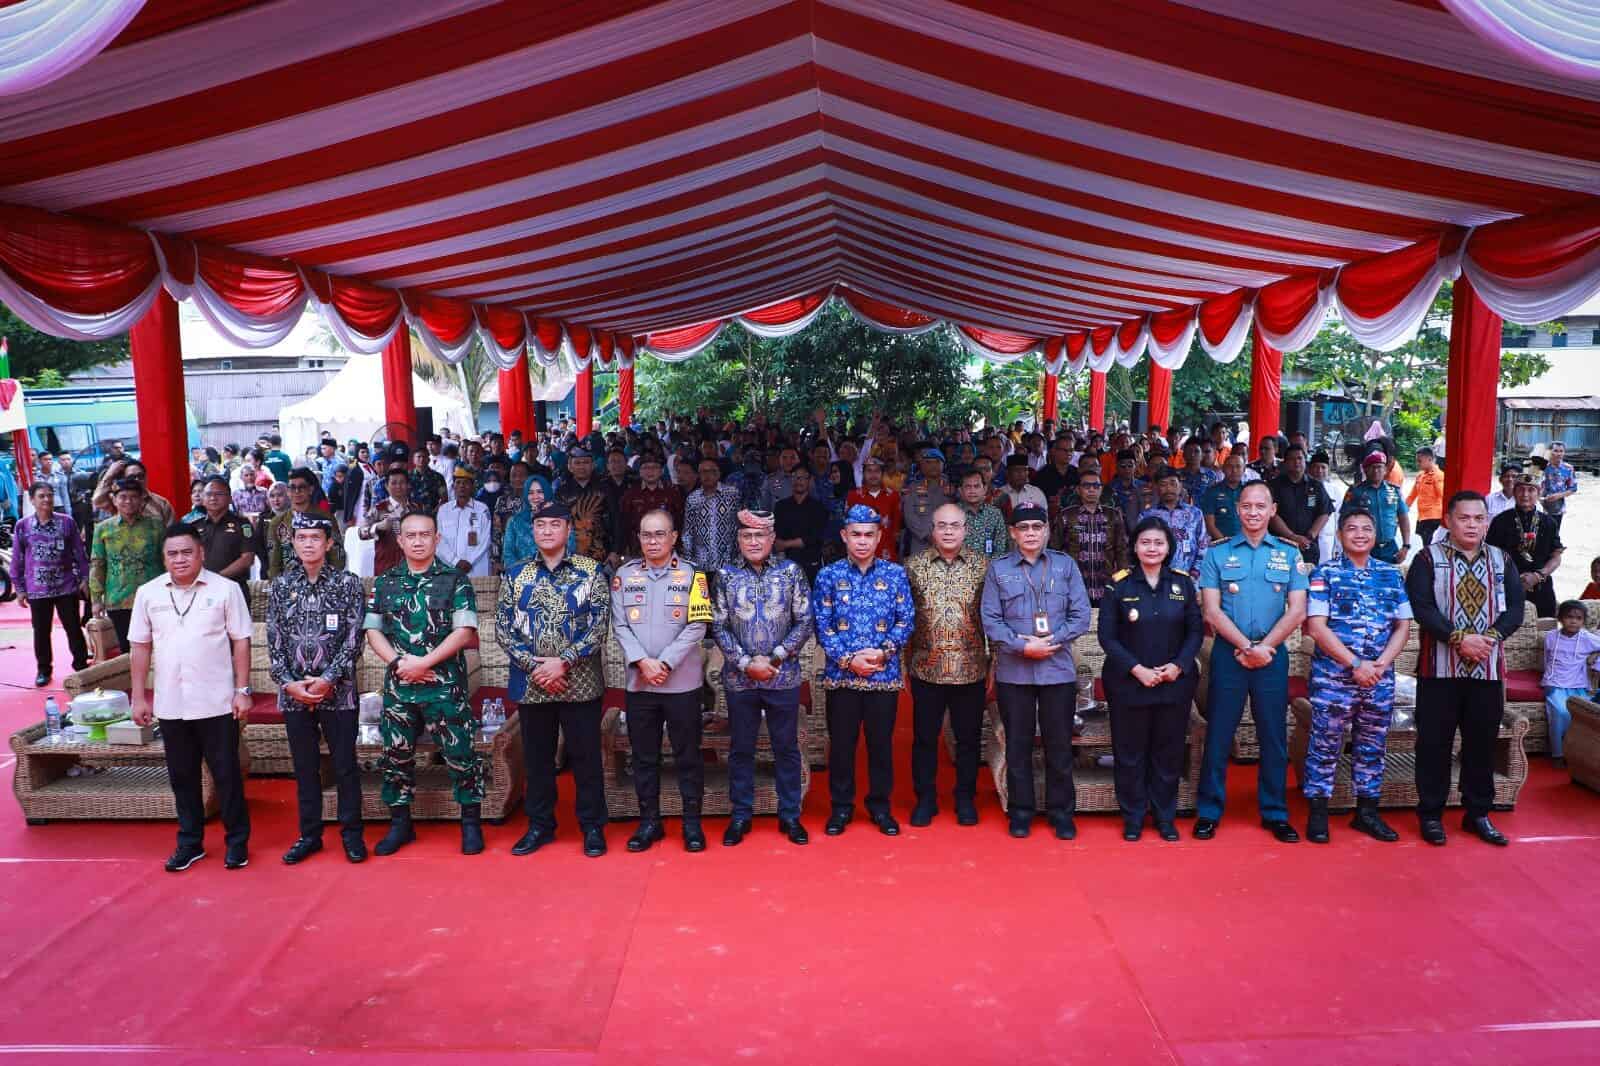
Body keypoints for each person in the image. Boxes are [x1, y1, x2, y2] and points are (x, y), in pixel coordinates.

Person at [128, 523, 253, 872]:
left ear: (200, 553)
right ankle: (190, 842)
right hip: (171, 703)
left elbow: (241, 640)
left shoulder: (226, 590)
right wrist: (139, 698)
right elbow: (139, 647)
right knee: (182, 777)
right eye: (172, 553)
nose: (180, 559)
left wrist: (242, 691)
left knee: (226, 775)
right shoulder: (148, 593)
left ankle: (237, 842)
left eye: (186, 552)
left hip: (216, 702)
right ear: (164, 557)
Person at [363, 510, 485, 856]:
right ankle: (401, 825)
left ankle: (471, 823)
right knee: (396, 756)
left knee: (461, 754)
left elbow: (464, 632)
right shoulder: (385, 582)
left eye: (425, 534)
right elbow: (373, 631)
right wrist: (401, 663)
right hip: (400, 686)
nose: (418, 541)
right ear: (400, 540)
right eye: (411, 535)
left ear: (437, 539)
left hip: (444, 685)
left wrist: (425, 663)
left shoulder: (455, 580)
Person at [1193, 480, 1309, 843]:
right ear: (1238, 509)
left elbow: (1298, 610)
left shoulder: (1289, 554)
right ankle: (1209, 810)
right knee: (1219, 733)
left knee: (1273, 736)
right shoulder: (1217, 553)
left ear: (1273, 509)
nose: (1253, 512)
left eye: (1261, 506)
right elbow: (1211, 610)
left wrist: (1265, 648)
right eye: (1246, 506)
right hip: (1230, 655)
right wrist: (1246, 646)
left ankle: (1274, 811)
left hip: (1272, 657)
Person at [1406, 491, 1524, 847]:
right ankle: (1430, 814)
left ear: (1487, 521)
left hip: (1487, 671)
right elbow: (1422, 607)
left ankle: (1477, 814)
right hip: (1438, 671)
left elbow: (1516, 609)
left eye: (1478, 518)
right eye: (1464, 518)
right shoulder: (1428, 558)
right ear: (1448, 520)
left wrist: (1488, 638)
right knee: (1433, 745)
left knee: (1481, 744)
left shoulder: (1503, 560)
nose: (1472, 525)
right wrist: (1459, 639)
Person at [497, 501, 612, 858]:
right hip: (533, 685)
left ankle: (592, 826)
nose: (547, 531)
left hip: (580, 683)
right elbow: (503, 628)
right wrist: (537, 667)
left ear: (567, 530)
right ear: (533, 531)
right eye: (540, 525)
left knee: (586, 758)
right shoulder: (516, 575)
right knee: (538, 759)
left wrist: (563, 662)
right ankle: (540, 826)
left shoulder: (590, 571)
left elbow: (598, 626)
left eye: (554, 525)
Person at [1301, 509, 1413, 844]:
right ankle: (1318, 813)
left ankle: (1367, 813)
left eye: (1367, 529)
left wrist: (1379, 665)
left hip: (1378, 678)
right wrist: (1355, 664)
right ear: (1339, 535)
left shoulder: (1391, 575)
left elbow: (1403, 626)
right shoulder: (1325, 574)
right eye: (1352, 528)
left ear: (1376, 535)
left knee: (1373, 745)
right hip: (1334, 679)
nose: (1360, 534)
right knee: (1325, 744)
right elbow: (1317, 628)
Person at [981, 504, 1092, 839]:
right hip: (1015, 673)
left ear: (1046, 530)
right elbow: (990, 619)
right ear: (1013, 533)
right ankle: (1021, 811)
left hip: (1057, 671)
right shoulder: (998, 570)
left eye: (1037, 527)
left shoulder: (1065, 565)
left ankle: (1061, 813)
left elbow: (1081, 615)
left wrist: (1052, 641)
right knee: (1018, 745)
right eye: (1023, 527)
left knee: (1059, 746)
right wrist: (1022, 645)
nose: (1030, 533)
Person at [267, 514, 368, 865]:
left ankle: (352, 835)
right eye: (301, 537)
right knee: (305, 767)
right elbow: (274, 641)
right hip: (294, 693)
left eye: (315, 537)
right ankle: (309, 835)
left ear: (329, 543)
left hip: (338, 693)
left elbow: (355, 640)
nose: (308, 543)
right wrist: (289, 682)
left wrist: (328, 679)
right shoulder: (279, 586)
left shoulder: (348, 584)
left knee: (344, 766)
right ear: (292, 543)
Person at [611, 509, 712, 853]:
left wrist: (664, 662)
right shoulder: (624, 575)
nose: (652, 541)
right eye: (646, 535)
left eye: (659, 534)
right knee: (644, 756)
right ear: (638, 538)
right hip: (640, 684)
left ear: (674, 537)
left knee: (688, 756)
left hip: (681, 684)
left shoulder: (693, 576)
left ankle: (691, 823)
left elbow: (698, 626)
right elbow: (620, 625)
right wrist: (643, 661)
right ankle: (649, 822)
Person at [1098, 516, 1203, 841]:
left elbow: (1195, 631)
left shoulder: (1183, 584)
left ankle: (1164, 816)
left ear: (1169, 547)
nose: (1152, 548)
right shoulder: (1119, 584)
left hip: (1173, 683)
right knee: (1129, 752)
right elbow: (1107, 636)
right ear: (1134, 546)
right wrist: (1137, 669)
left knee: (1167, 752)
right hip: (1129, 683)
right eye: (1145, 542)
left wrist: (1178, 666)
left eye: (1159, 543)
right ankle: (1132, 816)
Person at [712, 508, 813, 846]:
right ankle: (740, 815)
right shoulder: (725, 575)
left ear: (772, 539)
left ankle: (790, 815)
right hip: (741, 679)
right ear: (738, 539)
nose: (753, 542)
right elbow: (719, 624)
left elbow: (804, 621)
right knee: (741, 748)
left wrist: (773, 658)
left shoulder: (791, 572)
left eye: (760, 536)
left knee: (786, 748)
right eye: (746, 536)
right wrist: (744, 662)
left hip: (781, 676)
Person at [813, 504, 915, 836]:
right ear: (844, 536)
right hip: (841, 676)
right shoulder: (828, 575)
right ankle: (841, 808)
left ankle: (880, 807)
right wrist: (848, 660)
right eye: (855, 534)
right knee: (841, 745)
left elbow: (906, 620)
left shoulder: (895, 574)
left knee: (880, 745)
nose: (861, 541)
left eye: (868, 535)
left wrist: (884, 651)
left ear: (879, 536)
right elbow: (822, 626)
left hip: (882, 675)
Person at [905, 503, 990, 827]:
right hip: (927, 666)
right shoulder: (913, 566)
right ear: (933, 529)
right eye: (943, 525)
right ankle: (925, 799)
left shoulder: (983, 567)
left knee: (968, 739)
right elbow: (906, 619)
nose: (949, 531)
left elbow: (991, 618)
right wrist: (903, 663)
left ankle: (965, 798)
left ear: (965, 530)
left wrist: (993, 661)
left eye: (955, 525)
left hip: (970, 667)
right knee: (924, 738)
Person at [11, 481, 91, 686]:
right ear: (32, 500)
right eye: (41, 496)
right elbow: (17, 559)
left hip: (66, 585)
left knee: (73, 627)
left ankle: (81, 665)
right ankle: (44, 670)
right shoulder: (23, 526)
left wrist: (84, 578)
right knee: (41, 631)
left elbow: (79, 553)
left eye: (49, 495)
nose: (47, 499)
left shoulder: (67, 522)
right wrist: (19, 589)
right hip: (37, 590)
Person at [89, 478, 166, 653]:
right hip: (118, 598)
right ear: (114, 499)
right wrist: (96, 600)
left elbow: (166, 559)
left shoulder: (156, 526)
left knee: (158, 646)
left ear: (141, 500)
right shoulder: (103, 528)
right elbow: (97, 564)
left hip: (153, 597)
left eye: (133, 497)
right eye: (123, 497)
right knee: (127, 649)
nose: (128, 501)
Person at [1486, 474, 1563, 619]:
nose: (1525, 494)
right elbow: (1490, 555)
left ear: (1538, 493)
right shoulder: (1500, 520)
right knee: (1504, 627)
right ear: (1514, 492)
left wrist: (1539, 575)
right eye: (1520, 490)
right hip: (1506, 584)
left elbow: (1556, 556)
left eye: (1530, 490)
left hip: (1540, 584)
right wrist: (1513, 578)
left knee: (1543, 626)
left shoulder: (1549, 522)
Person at [1055, 468, 1128, 606]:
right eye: (1086, 486)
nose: (1091, 490)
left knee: (1105, 626)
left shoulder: (1113, 515)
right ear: (1078, 490)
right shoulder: (1066, 516)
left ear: (1101, 490)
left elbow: (1122, 551)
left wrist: (1120, 581)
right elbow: (1055, 551)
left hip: (1107, 587)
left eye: (1096, 486)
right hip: (1074, 588)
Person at [1541, 600, 1600, 768]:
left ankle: (1575, 752)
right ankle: (1558, 754)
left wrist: (1596, 661)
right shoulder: (1551, 637)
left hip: (1578, 685)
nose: (1573, 621)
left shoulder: (1587, 638)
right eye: (1569, 617)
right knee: (1560, 712)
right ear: (1560, 618)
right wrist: (1548, 681)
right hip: (1554, 683)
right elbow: (1547, 660)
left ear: (1583, 621)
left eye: (1578, 618)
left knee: (1580, 715)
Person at [267, 468, 347, 579]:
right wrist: (277, 586)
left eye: (301, 487)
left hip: (322, 581)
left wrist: (331, 582)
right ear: (288, 492)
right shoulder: (278, 522)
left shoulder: (326, 518)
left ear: (310, 490)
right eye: (292, 488)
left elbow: (337, 556)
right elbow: (274, 562)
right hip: (289, 584)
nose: (297, 491)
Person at [188, 476, 257, 600]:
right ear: (203, 499)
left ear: (230, 498)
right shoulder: (194, 526)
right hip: (201, 590)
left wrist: (217, 578)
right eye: (209, 494)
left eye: (219, 494)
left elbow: (247, 559)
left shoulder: (242, 524)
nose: (213, 498)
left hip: (233, 589)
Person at [1268, 444, 1333, 565]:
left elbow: (1325, 512)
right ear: (1285, 462)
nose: (1296, 462)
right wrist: (1292, 537)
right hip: (1280, 546)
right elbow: (1271, 514)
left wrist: (1311, 535)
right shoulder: (1274, 486)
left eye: (1299, 458)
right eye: (1292, 459)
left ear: (1305, 461)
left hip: (1307, 547)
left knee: (1306, 582)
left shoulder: (1316, 485)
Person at [1342, 451, 1410, 564]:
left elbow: (1403, 518)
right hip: (1362, 547)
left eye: (1379, 467)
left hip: (1389, 548)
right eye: (1372, 467)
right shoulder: (1355, 491)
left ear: (1385, 470)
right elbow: (1344, 520)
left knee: (1389, 580)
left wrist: (1406, 546)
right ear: (1365, 470)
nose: (1376, 471)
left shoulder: (1394, 491)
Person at [1137, 469, 1208, 577]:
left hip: (1189, 576)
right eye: (1163, 485)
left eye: (1173, 483)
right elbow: (1140, 547)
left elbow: (1203, 544)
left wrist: (1196, 571)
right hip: (1156, 577)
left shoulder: (1195, 513)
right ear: (1156, 488)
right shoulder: (1146, 516)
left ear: (1180, 486)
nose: (1168, 489)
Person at [683, 456, 742, 578]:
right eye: (703, 472)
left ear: (719, 473)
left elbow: (740, 526)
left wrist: (741, 557)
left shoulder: (732, 494)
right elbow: (688, 532)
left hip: (728, 560)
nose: (707, 475)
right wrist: (688, 561)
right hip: (702, 562)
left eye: (711, 471)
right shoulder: (693, 498)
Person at [618, 454, 683, 558]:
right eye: (646, 468)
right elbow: (624, 524)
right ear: (640, 472)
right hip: (638, 551)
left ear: (661, 471)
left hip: (667, 551)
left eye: (654, 467)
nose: (650, 471)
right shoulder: (630, 494)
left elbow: (679, 522)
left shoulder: (672, 493)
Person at [772, 465, 829, 581]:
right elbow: (777, 537)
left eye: (803, 478)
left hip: (810, 564)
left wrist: (786, 544)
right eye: (796, 477)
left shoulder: (819, 507)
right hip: (785, 563)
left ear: (810, 480)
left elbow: (815, 538)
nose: (799, 481)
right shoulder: (781, 506)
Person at [359, 465, 414, 576]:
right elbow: (361, 533)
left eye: (402, 482)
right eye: (393, 483)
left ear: (408, 485)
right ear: (386, 486)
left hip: (412, 566)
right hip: (386, 566)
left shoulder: (416, 508)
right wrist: (378, 527)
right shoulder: (378, 509)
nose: (398, 486)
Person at [845, 456, 903, 562]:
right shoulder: (853, 496)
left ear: (882, 474)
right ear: (863, 474)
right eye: (869, 471)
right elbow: (848, 527)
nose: (873, 475)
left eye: (877, 471)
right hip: (860, 554)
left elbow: (896, 528)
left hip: (887, 553)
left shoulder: (893, 496)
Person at [437, 468, 492, 577]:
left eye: (466, 483)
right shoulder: (444, 510)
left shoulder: (482, 509)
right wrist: (455, 561)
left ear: (472, 487)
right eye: (458, 482)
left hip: (476, 569)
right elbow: (439, 540)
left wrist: (470, 561)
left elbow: (486, 539)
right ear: (453, 487)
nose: (462, 486)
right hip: (450, 568)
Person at [956, 467, 1008, 561]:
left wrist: (991, 569)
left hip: (990, 571)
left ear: (984, 489)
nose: (972, 491)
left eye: (976, 486)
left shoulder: (994, 514)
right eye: (968, 486)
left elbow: (1000, 545)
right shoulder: (951, 513)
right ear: (960, 491)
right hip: (958, 571)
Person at [1199, 452, 1245, 544]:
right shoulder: (1212, 492)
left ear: (1244, 469)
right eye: (1230, 466)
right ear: (1223, 469)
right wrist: (1226, 544)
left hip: (1247, 543)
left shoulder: (1249, 491)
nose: (1234, 470)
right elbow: (1210, 525)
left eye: (1238, 466)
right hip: (1221, 544)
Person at [1408, 447, 1445, 546]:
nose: (1417, 463)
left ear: (1430, 459)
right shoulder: (1420, 476)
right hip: (1422, 517)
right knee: (1425, 544)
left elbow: (1443, 496)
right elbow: (1412, 496)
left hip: (1434, 517)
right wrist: (1402, 512)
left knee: (1429, 546)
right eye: (1417, 461)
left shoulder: (1439, 476)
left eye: (1420, 461)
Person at [1539, 440, 1577, 532]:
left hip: (1557, 507)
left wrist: (1558, 496)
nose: (1559, 454)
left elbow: (1573, 488)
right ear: (1549, 452)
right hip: (1539, 505)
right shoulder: (1542, 467)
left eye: (1561, 451)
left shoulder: (1568, 468)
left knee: (1554, 533)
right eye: (1555, 451)